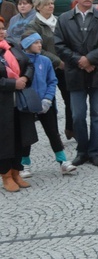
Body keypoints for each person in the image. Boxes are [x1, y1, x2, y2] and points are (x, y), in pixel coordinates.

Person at [54, 0, 98, 167]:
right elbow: (59, 45)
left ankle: (95, 151)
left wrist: (89, 59)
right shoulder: (64, 19)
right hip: (75, 73)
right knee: (78, 115)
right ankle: (82, 151)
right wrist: (80, 60)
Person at [18, 31, 76, 178]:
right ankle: (24, 164)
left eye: (40, 42)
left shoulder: (45, 61)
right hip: (26, 104)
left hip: (46, 103)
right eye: (36, 42)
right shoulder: (20, 61)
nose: (40, 45)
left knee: (53, 132)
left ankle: (63, 161)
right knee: (26, 135)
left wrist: (48, 99)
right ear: (26, 45)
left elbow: (52, 81)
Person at [27, 0, 73, 141]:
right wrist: (57, 61)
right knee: (50, 102)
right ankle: (55, 135)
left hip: (64, 66)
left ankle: (71, 128)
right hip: (46, 68)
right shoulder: (33, 25)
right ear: (38, 7)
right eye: (47, 4)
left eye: (52, 3)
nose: (50, 6)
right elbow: (38, 48)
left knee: (70, 98)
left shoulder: (59, 21)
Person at [0, 17, 36, 192]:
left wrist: (25, 78)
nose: (1, 32)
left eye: (2, 28)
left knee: (21, 137)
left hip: (19, 101)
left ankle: (16, 171)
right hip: (2, 103)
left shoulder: (12, 46)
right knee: (4, 140)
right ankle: (6, 175)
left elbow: (29, 63)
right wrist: (12, 84)